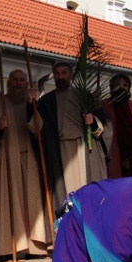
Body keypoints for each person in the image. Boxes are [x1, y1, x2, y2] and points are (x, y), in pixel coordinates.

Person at [0, 69, 48, 259]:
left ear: (27, 83)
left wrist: (30, 105)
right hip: (7, 160)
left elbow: (39, 128)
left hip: (30, 160)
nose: (18, 83)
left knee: (32, 202)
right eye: (15, 80)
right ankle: (11, 245)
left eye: (22, 80)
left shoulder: (32, 103)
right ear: (9, 83)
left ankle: (34, 246)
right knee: (10, 202)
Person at [36, 61, 107, 208]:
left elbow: (101, 123)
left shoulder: (83, 96)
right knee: (65, 191)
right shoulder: (46, 101)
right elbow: (37, 126)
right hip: (59, 150)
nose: (60, 76)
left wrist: (92, 120)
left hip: (81, 149)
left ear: (71, 75)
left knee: (83, 186)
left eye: (64, 73)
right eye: (57, 73)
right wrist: (31, 103)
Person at [101, 73, 132, 178]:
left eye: (125, 85)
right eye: (117, 84)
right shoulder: (104, 106)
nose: (121, 87)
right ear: (112, 87)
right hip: (114, 155)